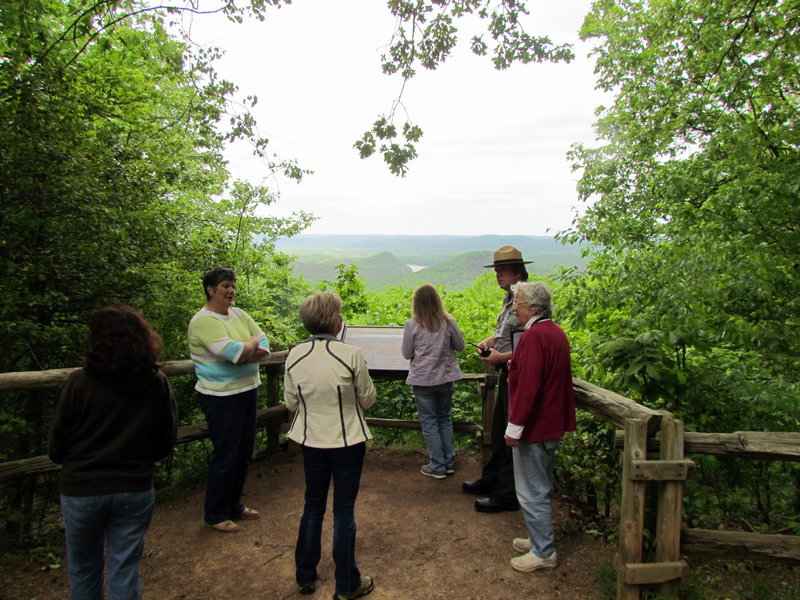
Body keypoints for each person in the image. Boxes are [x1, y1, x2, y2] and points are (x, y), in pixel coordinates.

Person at [48, 304, 178, 600]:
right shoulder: (155, 383)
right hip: (134, 486)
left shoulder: (77, 383)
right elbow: (165, 439)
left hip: (81, 489)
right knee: (124, 569)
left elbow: (57, 445)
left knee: (83, 569)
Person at [284, 292, 377, 600]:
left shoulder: (295, 355)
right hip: (348, 440)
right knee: (343, 511)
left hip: (310, 439)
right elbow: (368, 399)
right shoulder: (350, 354)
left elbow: (290, 402)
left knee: (312, 506)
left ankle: (305, 576)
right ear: (333, 320)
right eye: (339, 314)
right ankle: (347, 584)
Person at [187, 267, 270, 533]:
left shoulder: (239, 314)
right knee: (226, 455)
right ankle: (215, 514)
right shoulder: (203, 321)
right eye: (224, 286)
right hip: (220, 397)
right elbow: (233, 352)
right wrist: (247, 346)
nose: (230, 290)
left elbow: (265, 345)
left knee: (243, 452)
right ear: (210, 290)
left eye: (232, 285)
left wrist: (247, 349)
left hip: (248, 389)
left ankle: (234, 505)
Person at [504, 282, 576, 572]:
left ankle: (544, 551)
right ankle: (538, 538)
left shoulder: (534, 337)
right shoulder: (555, 332)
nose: (514, 308)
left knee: (531, 489)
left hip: (535, 427)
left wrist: (514, 427)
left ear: (533, 307)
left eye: (518, 304)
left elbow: (530, 387)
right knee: (540, 485)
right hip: (551, 423)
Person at [462, 246, 530, 512]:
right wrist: (490, 342)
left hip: (518, 374)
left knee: (512, 433)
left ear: (517, 271)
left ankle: (507, 494)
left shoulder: (527, 300)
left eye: (502, 270)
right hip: (508, 372)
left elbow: (530, 344)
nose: (497, 275)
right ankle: (492, 481)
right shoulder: (510, 299)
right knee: (502, 429)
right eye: (496, 270)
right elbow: (506, 334)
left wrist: (500, 358)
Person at [401, 283, 465, 479]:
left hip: (422, 381)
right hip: (445, 378)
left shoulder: (412, 325)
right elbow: (461, 346)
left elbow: (406, 353)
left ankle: (437, 465)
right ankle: (448, 462)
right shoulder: (448, 322)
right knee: (444, 418)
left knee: (429, 422)